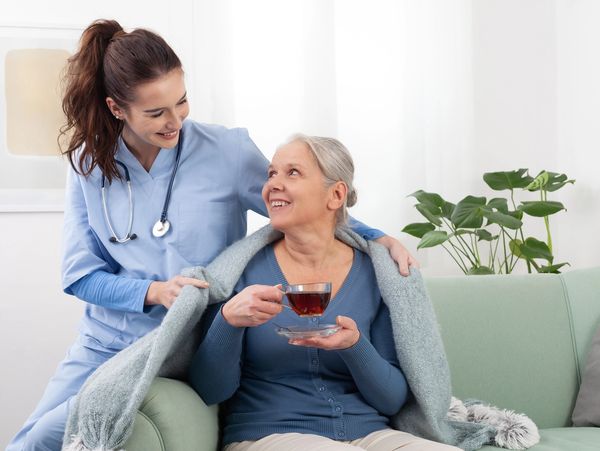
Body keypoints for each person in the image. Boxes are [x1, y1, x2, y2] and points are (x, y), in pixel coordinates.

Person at [7, 20, 416, 451]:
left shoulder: (227, 151)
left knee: (57, 434)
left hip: (179, 343)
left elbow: (304, 205)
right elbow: (80, 276)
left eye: (181, 102)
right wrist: (156, 291)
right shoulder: (89, 165)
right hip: (106, 340)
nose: (175, 121)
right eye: (156, 112)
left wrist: (375, 236)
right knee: (28, 441)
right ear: (116, 108)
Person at [188, 135, 460, 450]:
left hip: (370, 434)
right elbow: (210, 390)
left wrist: (355, 346)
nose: (273, 183)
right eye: (271, 173)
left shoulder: (377, 274)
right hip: (268, 433)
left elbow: (391, 400)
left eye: (292, 173)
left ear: (335, 195)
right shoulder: (240, 272)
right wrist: (228, 320)